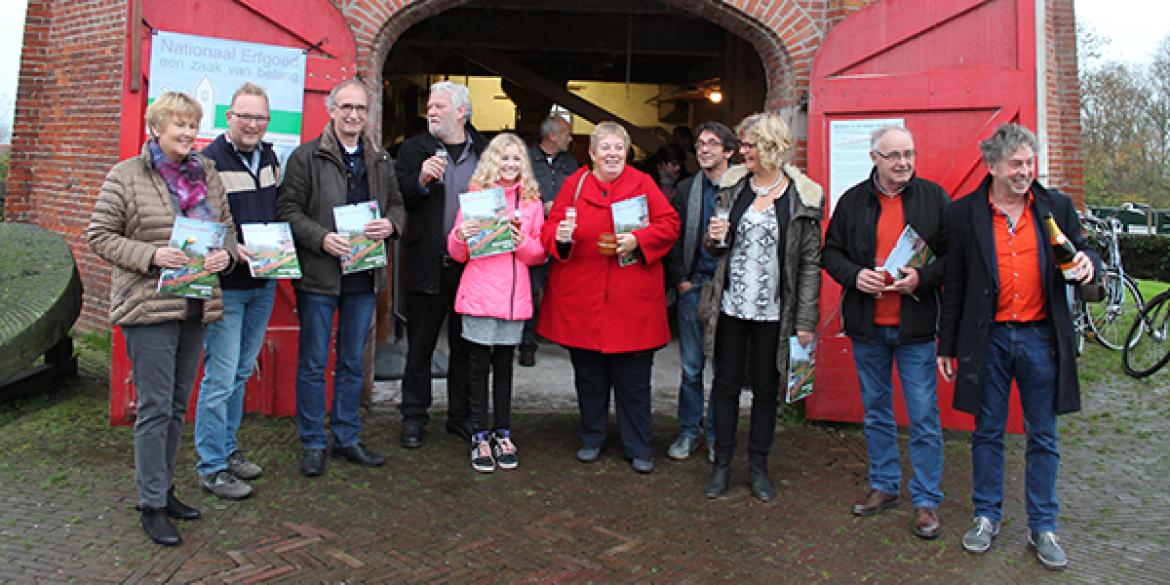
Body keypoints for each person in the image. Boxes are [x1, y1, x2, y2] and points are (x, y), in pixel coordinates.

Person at [938, 123, 1098, 571]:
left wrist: (1088, 264)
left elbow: (1083, 252)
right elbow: (955, 284)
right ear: (992, 166)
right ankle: (986, 517)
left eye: (1029, 163)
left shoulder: (1056, 207)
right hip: (986, 338)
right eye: (1015, 164)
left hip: (1039, 337)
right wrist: (947, 344)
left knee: (1043, 435)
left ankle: (1043, 525)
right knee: (987, 432)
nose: (1024, 171)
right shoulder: (965, 214)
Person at [86, 91, 235, 546]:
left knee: (175, 406)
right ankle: (150, 502)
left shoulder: (207, 174)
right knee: (153, 408)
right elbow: (99, 235)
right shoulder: (127, 175)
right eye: (179, 126)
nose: (189, 133)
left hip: (193, 303)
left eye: (193, 125)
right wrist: (152, 255)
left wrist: (222, 259)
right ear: (156, 128)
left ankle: (164, 489)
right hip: (148, 308)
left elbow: (224, 230)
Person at [823, 125, 950, 538]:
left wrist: (922, 278)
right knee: (876, 412)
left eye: (909, 154)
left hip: (914, 327)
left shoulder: (933, 198)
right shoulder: (853, 201)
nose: (903, 163)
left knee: (924, 416)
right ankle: (884, 485)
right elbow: (831, 253)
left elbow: (954, 257)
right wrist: (855, 276)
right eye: (894, 155)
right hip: (868, 326)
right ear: (874, 158)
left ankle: (927, 500)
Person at [276, 79, 404, 477]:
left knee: (352, 361)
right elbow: (287, 210)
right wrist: (321, 238)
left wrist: (391, 225)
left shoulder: (380, 159)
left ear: (368, 115)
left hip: (364, 277)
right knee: (314, 362)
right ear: (331, 110)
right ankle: (313, 441)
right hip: (320, 275)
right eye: (346, 107)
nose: (353, 115)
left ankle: (347, 437)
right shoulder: (305, 157)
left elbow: (398, 205)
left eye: (360, 109)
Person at [539, 121, 680, 474]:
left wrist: (639, 240)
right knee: (589, 376)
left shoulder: (643, 183)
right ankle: (592, 436)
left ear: (627, 152)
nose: (613, 154)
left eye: (619, 148)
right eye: (606, 148)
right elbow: (548, 232)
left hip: (632, 302)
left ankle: (638, 445)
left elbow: (669, 224)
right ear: (592, 153)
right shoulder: (575, 185)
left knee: (633, 379)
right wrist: (562, 236)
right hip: (584, 300)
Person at [702, 112, 823, 502]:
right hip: (732, 309)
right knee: (724, 387)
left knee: (767, 391)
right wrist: (714, 238)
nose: (743, 152)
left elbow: (808, 265)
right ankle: (722, 464)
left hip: (775, 314)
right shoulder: (734, 188)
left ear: (771, 147)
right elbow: (716, 249)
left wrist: (805, 320)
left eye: (751, 145)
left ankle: (758, 467)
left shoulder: (802, 198)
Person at [192, 82, 281, 500]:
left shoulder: (270, 157)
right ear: (228, 116)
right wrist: (231, 248)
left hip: (263, 283)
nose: (252, 124)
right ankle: (211, 467)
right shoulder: (207, 161)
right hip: (226, 287)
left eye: (260, 117)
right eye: (244, 116)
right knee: (220, 378)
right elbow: (197, 222)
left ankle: (228, 451)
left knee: (242, 372)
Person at [394, 81, 488, 448]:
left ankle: (460, 417)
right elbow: (397, 196)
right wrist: (421, 180)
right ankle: (414, 417)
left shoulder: (485, 151)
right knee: (420, 346)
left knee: (466, 347)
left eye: (439, 106)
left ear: (461, 112)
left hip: (473, 266)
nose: (431, 111)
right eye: (430, 106)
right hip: (427, 261)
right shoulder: (413, 150)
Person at [447, 132, 546, 472]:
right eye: (503, 158)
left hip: (511, 300)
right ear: (492, 161)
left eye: (516, 159)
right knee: (476, 369)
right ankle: (479, 434)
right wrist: (460, 235)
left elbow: (538, 254)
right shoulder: (476, 198)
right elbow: (457, 252)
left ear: (524, 165)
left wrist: (521, 242)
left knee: (504, 369)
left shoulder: (532, 203)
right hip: (479, 294)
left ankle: (503, 431)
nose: (509, 164)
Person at [664, 121, 737, 463]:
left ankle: (716, 435)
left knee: (724, 368)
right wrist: (681, 280)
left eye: (712, 143)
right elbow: (673, 239)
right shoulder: (686, 189)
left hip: (730, 291)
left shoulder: (744, 189)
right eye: (700, 143)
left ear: (729, 151)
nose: (703, 149)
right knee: (692, 368)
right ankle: (689, 431)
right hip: (694, 287)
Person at [521, 116, 578, 367]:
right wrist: (538, 205)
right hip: (535, 234)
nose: (571, 137)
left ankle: (564, 336)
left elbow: (579, 193)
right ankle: (527, 344)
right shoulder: (525, 160)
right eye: (566, 133)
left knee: (565, 289)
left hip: (563, 234)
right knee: (532, 289)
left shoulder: (571, 163)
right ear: (552, 136)